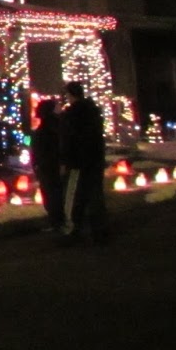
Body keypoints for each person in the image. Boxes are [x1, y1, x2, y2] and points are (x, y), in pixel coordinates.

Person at [59, 81, 109, 244]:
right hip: (94, 159)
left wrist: (66, 160)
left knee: (74, 196)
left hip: (78, 162)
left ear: (71, 95)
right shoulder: (93, 112)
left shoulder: (72, 115)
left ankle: (73, 229)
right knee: (96, 195)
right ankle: (99, 230)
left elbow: (68, 140)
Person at [30, 98, 66, 233]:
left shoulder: (48, 128)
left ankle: (57, 221)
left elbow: (42, 147)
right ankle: (58, 220)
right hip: (49, 164)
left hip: (48, 165)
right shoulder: (52, 125)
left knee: (52, 193)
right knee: (54, 193)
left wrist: (37, 163)